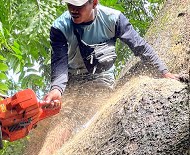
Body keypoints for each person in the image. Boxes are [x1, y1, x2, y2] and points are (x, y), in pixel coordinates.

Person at [43, 0, 179, 108]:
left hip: (100, 76)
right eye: (70, 4)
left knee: (92, 106)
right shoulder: (59, 27)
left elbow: (140, 46)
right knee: (63, 115)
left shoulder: (114, 19)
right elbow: (59, 62)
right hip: (71, 77)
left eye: (78, 5)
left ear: (94, 3)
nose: (73, 9)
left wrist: (164, 72)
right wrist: (57, 89)